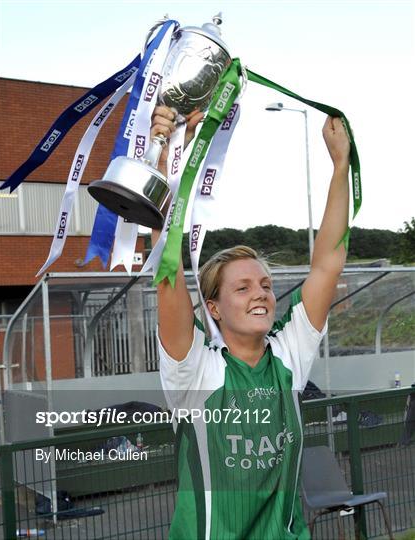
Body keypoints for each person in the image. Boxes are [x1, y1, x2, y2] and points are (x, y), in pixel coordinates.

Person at [151, 104, 350, 539]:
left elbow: (327, 265)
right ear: (214, 308)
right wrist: (164, 169)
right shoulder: (196, 368)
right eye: (242, 288)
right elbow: (168, 270)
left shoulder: (288, 351)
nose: (260, 293)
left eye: (264, 284)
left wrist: (340, 168)